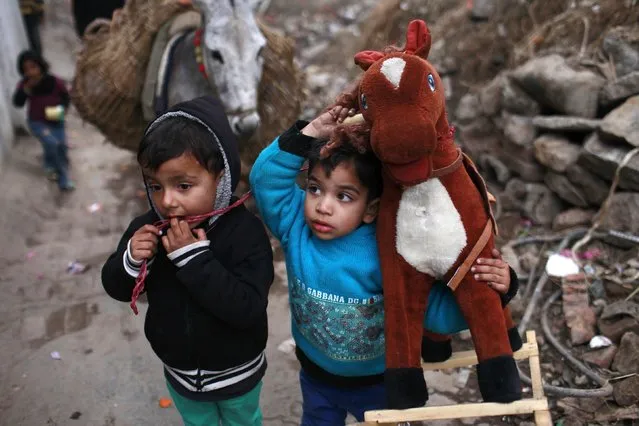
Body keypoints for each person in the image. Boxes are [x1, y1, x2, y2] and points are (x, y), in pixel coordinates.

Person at [249, 105, 518, 425]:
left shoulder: (392, 253)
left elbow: (435, 314)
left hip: (377, 384)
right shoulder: (295, 226)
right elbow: (263, 179)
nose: (323, 206)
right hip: (315, 377)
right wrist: (308, 134)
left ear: (371, 209)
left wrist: (497, 290)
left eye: (344, 196)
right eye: (315, 188)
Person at [101, 96, 274, 426]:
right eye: (155, 186)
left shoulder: (245, 232)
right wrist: (131, 259)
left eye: (183, 185)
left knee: (244, 422)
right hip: (179, 373)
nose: (167, 201)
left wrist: (193, 259)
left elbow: (248, 307)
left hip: (236, 373)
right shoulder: (146, 229)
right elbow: (116, 287)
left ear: (220, 178)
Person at [13, 50, 74, 191]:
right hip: (37, 122)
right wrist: (26, 89)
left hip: (56, 119)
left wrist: (63, 110)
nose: (30, 72)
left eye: (33, 67)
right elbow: (17, 102)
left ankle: (49, 164)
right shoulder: (24, 84)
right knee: (52, 143)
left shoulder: (54, 81)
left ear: (40, 66)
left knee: (61, 146)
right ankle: (64, 179)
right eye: (26, 69)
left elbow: (65, 96)